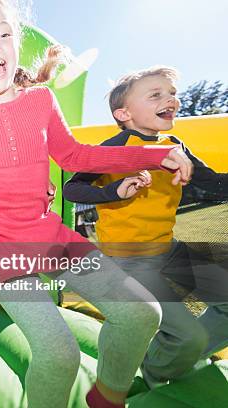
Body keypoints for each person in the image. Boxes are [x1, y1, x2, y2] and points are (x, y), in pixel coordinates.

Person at [0, 1, 194, 407]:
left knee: (142, 312)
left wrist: (153, 155)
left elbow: (76, 157)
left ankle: (106, 397)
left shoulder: (39, 101)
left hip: (53, 239)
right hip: (2, 255)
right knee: (59, 355)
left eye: (3, 34)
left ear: (16, 45)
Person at [63, 65, 228, 389]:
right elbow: (73, 189)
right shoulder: (114, 147)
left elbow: (212, 182)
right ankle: (153, 375)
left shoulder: (174, 144)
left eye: (172, 94)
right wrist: (113, 190)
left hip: (168, 247)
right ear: (124, 113)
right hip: (129, 259)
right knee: (187, 334)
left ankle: (174, 360)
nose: (171, 100)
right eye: (156, 95)